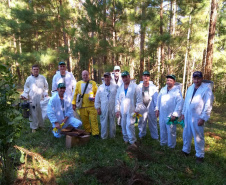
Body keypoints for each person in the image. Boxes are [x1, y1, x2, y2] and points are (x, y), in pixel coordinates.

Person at [181, 71, 213, 163]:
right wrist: (183, 113)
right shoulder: (190, 88)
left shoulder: (206, 89)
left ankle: (200, 155)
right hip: (187, 115)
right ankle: (185, 150)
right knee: (186, 134)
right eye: (195, 78)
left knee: (198, 136)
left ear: (202, 79)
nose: (196, 80)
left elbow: (208, 105)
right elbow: (186, 101)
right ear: (193, 79)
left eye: (198, 78)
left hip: (197, 116)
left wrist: (203, 118)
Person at [155, 75, 183, 148]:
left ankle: (171, 146)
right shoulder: (163, 90)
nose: (169, 82)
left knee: (171, 131)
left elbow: (180, 103)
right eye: (168, 80)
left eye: (171, 80)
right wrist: (157, 109)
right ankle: (163, 144)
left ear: (174, 82)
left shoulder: (177, 92)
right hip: (162, 113)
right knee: (162, 129)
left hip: (171, 115)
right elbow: (158, 100)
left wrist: (175, 114)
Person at [115, 71, 142, 146]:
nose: (125, 78)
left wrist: (137, 110)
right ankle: (126, 139)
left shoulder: (135, 87)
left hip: (132, 110)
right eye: (123, 77)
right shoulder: (120, 88)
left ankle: (132, 141)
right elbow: (117, 100)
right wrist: (117, 110)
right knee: (123, 125)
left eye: (126, 77)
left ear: (129, 77)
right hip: (123, 110)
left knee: (130, 125)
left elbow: (139, 100)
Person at [21, 64, 48, 133]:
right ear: (32, 70)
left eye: (37, 69)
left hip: (40, 98)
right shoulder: (29, 79)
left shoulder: (42, 78)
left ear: (39, 70)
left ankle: (41, 125)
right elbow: (26, 88)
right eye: (34, 69)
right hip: (31, 98)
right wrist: (24, 95)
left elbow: (46, 87)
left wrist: (45, 94)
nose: (36, 71)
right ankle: (34, 127)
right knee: (33, 113)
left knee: (40, 112)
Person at [72, 70, 99, 138]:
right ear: (82, 76)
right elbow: (74, 94)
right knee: (85, 120)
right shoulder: (78, 83)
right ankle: (88, 131)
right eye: (84, 75)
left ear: (89, 75)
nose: (85, 76)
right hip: (82, 106)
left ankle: (95, 133)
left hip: (92, 106)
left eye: (86, 74)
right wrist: (73, 103)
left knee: (94, 120)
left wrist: (95, 98)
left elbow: (97, 93)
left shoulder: (93, 83)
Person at [95, 72, 118, 139]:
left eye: (108, 77)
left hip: (112, 107)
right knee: (103, 122)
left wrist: (117, 108)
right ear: (104, 78)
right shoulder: (100, 87)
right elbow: (97, 98)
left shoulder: (115, 86)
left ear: (110, 78)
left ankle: (112, 136)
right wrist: (98, 108)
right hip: (103, 107)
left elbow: (118, 97)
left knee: (112, 121)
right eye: (105, 77)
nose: (106, 78)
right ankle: (104, 136)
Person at [137, 71, 159, 140]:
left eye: (147, 76)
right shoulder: (138, 87)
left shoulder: (153, 87)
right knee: (141, 122)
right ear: (142, 77)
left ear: (149, 77)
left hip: (151, 106)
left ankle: (155, 137)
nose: (146, 77)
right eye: (144, 76)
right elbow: (136, 98)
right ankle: (141, 135)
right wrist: (136, 108)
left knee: (153, 122)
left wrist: (156, 108)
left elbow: (156, 99)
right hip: (142, 106)